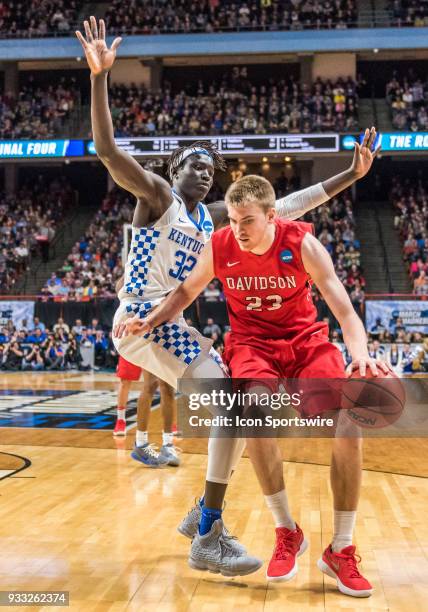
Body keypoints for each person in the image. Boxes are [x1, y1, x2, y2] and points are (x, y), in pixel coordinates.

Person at [77, 15, 379, 577]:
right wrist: (99, 78)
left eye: (212, 167)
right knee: (238, 404)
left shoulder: (212, 220)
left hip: (168, 320)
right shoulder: (158, 195)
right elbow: (106, 149)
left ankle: (204, 513)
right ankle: (209, 529)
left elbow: (287, 205)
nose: (206, 172)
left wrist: (348, 177)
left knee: (242, 405)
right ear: (173, 168)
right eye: (196, 162)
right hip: (145, 316)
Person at [118, 175, 391, 597]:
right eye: (232, 219)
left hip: (306, 343)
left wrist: (360, 352)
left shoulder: (302, 244)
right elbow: (186, 293)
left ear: (271, 216)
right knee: (253, 415)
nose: (238, 228)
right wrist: (150, 321)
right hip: (252, 347)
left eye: (247, 220)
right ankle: (286, 531)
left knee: (348, 422)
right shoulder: (222, 245)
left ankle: (342, 547)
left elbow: (345, 310)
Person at [114, 355, 179, 467]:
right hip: (145, 341)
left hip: (166, 341)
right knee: (149, 384)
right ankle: (140, 442)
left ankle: (168, 444)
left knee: (168, 386)